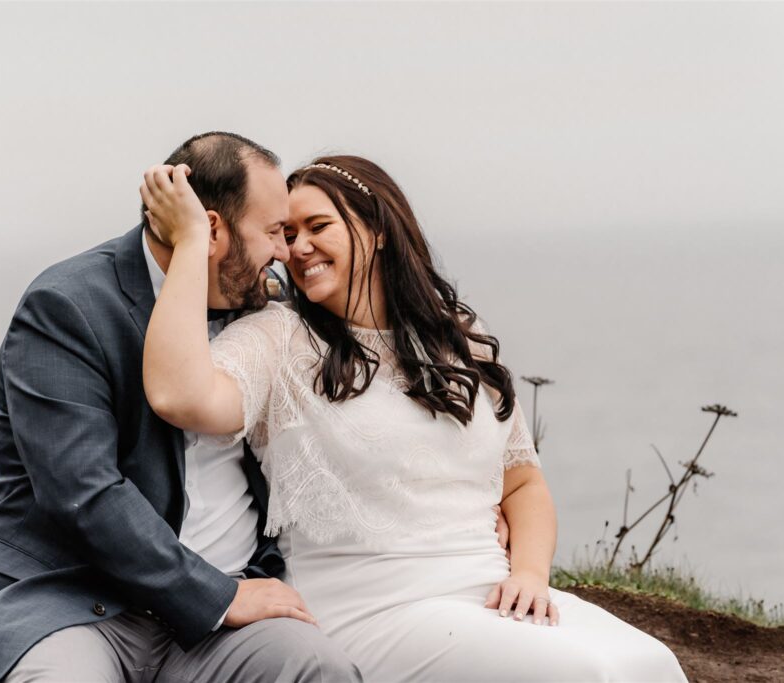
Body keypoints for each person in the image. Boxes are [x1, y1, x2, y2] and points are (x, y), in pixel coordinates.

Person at [141, 155, 689, 682]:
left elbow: (523, 482)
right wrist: (192, 242)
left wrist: (529, 575)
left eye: (317, 226)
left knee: (648, 662)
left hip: (491, 592)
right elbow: (178, 396)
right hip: (373, 610)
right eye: (287, 233)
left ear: (378, 228)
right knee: (587, 674)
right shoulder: (278, 339)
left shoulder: (459, 339)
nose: (297, 248)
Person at [0, 132, 361, 683]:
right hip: (71, 604)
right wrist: (215, 596)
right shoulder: (68, 305)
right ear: (210, 230)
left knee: (320, 669)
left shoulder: (263, 310)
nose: (285, 254)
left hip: (226, 618)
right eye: (271, 233)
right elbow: (84, 495)